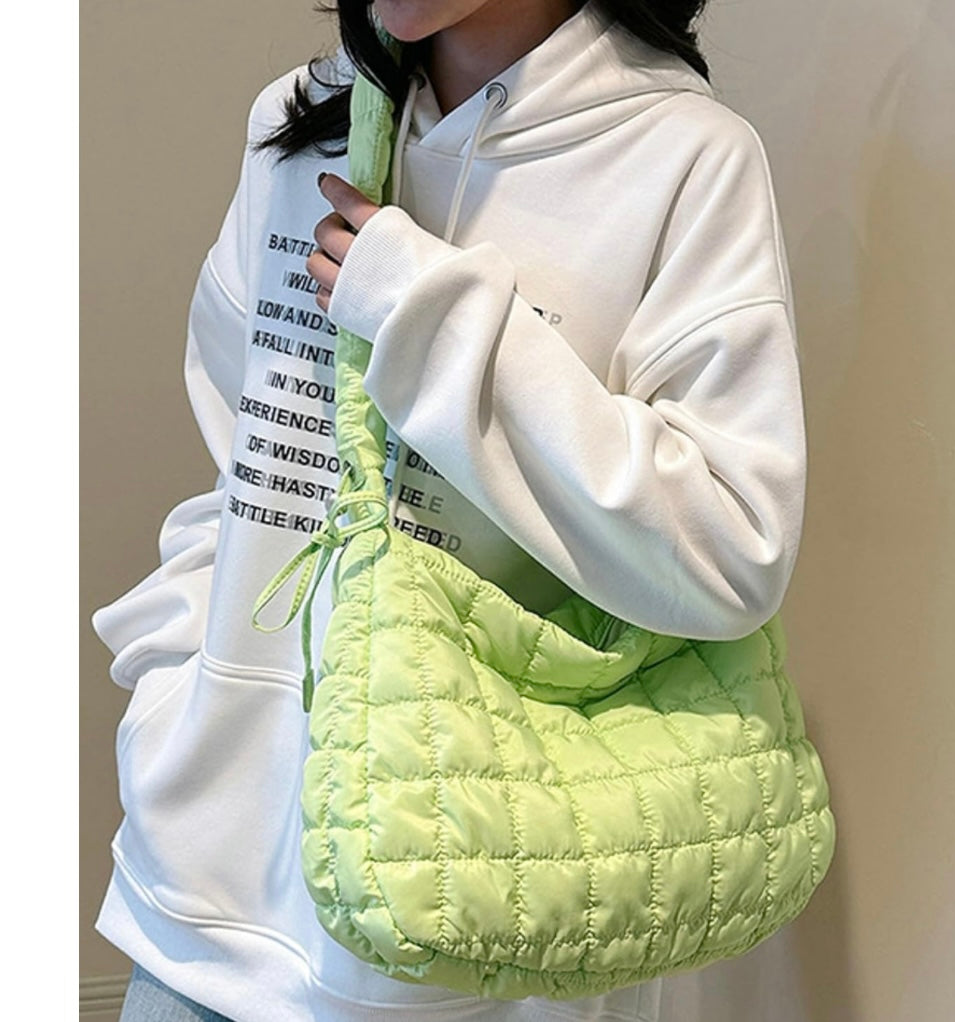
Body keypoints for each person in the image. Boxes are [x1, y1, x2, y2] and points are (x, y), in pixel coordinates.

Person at [92, 1, 808, 1019]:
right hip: (196, 909)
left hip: (474, 931)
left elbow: (733, 548)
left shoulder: (683, 159)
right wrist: (180, 688)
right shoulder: (301, 123)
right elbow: (241, 462)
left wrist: (425, 312)